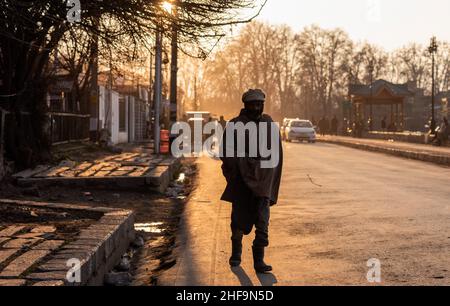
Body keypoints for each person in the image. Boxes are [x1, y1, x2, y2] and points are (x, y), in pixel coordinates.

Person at [220, 89, 283, 274]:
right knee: (238, 221)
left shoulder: (268, 124)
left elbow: (275, 153)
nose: (257, 107)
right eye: (253, 104)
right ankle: (236, 253)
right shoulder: (235, 125)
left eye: (259, 104)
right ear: (246, 105)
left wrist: (264, 171)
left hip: (263, 181)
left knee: (263, 222)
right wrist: (242, 165)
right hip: (242, 182)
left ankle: (259, 261)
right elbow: (227, 153)